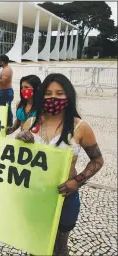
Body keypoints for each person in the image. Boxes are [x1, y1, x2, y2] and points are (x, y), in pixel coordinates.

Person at [15, 73, 104, 255]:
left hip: (64, 198)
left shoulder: (80, 127)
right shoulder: (30, 123)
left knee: (60, 247)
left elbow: (98, 160)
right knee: (35, 242)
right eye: (47, 93)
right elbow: (19, 159)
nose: (53, 97)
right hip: (34, 196)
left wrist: (77, 181)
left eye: (59, 93)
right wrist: (18, 140)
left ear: (68, 96)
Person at [0, 54, 14, 126]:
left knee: (6, 109)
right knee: (4, 108)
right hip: (4, 92)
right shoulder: (4, 69)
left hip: (6, 92)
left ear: (3, 62)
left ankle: (9, 124)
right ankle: (6, 123)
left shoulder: (7, 70)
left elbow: (5, 82)